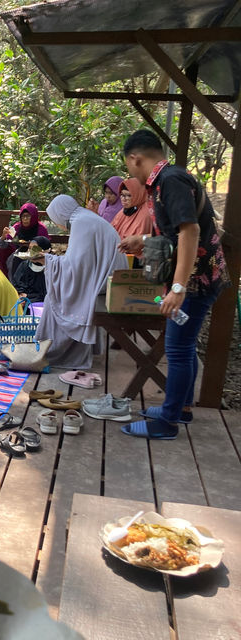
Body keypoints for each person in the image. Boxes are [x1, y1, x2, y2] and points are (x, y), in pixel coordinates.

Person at [118, 130, 230, 440]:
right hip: (195, 278)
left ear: (134, 158)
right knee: (185, 345)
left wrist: (179, 288)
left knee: (178, 349)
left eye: (128, 166)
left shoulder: (171, 180)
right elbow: (173, 234)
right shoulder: (163, 181)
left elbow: (190, 232)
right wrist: (143, 240)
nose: (130, 173)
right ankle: (181, 408)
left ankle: (167, 422)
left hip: (197, 280)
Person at [34, 195, 128, 369]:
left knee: (53, 299)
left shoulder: (81, 223)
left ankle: (52, 354)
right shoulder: (84, 217)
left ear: (60, 213)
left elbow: (75, 266)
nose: (57, 224)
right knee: (58, 292)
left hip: (106, 282)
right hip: (110, 278)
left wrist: (47, 260)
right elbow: (80, 263)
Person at [0, 202, 50, 277]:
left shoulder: (41, 229)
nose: (25, 219)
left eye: (28, 216)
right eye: (23, 216)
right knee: (15, 260)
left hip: (36, 257)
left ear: (34, 216)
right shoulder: (17, 227)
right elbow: (4, 246)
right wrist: (3, 236)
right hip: (17, 255)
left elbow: (46, 248)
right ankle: (14, 285)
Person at [111, 178, 153, 266]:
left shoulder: (145, 214)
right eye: (122, 195)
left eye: (128, 195)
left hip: (138, 262)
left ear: (138, 195)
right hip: (121, 256)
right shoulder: (123, 212)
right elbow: (111, 230)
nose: (123, 199)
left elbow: (137, 245)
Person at [10, 236, 52, 303]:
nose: (31, 252)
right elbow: (16, 283)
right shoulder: (24, 265)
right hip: (25, 302)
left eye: (35, 249)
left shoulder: (52, 268)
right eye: (29, 248)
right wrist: (21, 294)